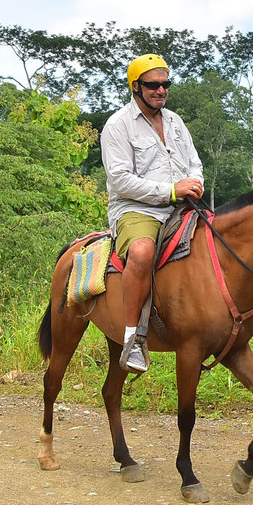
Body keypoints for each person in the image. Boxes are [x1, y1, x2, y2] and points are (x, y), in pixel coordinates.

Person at [100, 54, 204, 372]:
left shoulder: (174, 121)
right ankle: (133, 339)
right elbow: (120, 180)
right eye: (153, 85)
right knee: (143, 252)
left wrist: (196, 183)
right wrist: (171, 190)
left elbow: (194, 162)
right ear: (136, 87)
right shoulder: (117, 126)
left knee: (219, 242)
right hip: (136, 209)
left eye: (165, 84)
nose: (161, 90)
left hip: (181, 205)